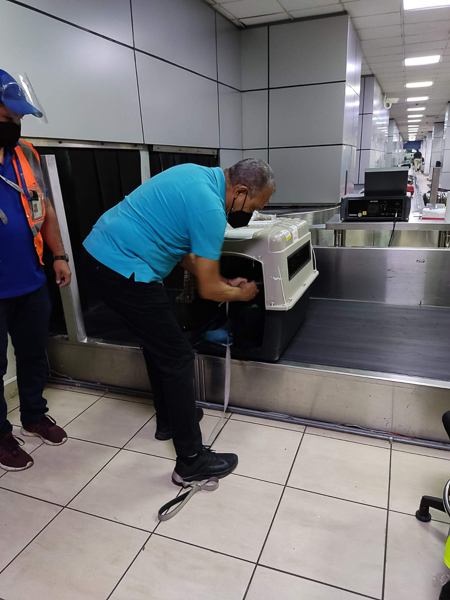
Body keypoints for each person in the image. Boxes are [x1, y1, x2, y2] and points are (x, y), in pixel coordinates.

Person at [83, 158, 275, 485]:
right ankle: (190, 460)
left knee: (159, 343)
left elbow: (181, 252)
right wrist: (242, 295)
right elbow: (208, 289)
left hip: (102, 254)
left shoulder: (194, 175)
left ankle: (170, 420)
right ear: (241, 191)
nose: (250, 214)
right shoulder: (211, 210)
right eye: (254, 206)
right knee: (178, 356)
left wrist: (223, 280)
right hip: (124, 269)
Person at [0, 69, 71, 472]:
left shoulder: (25, 154)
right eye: (8, 118)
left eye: (19, 120)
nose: (15, 126)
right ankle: (0, 437)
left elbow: (43, 210)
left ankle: (33, 415)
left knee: (32, 353)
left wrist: (59, 256)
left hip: (30, 280)